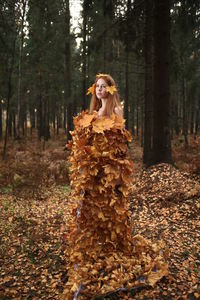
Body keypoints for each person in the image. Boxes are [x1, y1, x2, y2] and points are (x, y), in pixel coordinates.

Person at [62, 74, 168, 299]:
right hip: (93, 173)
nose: (100, 90)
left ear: (110, 90)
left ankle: (115, 248)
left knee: (112, 210)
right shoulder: (91, 115)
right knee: (91, 211)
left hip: (110, 172)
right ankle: (93, 250)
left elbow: (120, 147)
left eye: (103, 87)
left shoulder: (116, 113)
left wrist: (118, 174)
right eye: (97, 87)